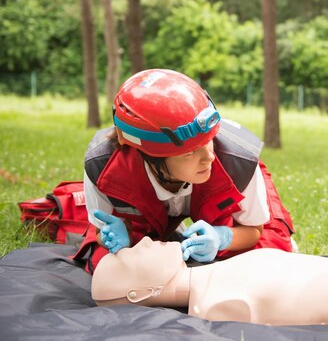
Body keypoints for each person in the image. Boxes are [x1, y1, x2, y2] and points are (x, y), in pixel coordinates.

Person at [73, 69, 295, 273]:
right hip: (145, 208)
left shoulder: (239, 162)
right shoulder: (102, 168)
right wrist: (115, 237)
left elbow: (255, 229)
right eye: (190, 152)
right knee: (108, 267)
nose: (209, 157)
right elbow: (100, 232)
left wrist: (223, 237)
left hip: (222, 200)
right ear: (150, 156)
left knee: (270, 257)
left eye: (209, 142)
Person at [91, 236, 328, 325]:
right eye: (130, 255)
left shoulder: (218, 279)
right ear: (135, 295)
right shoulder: (220, 302)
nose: (145, 241)